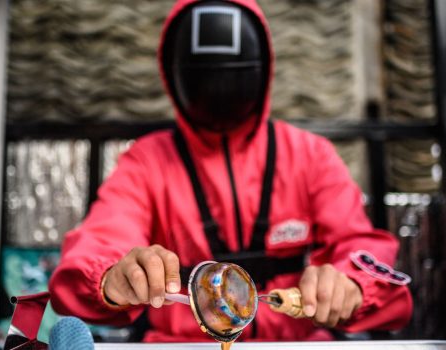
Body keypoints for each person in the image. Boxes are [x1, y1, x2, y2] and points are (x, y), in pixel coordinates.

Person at [49, 0, 413, 342]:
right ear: (175, 77)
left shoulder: (310, 155)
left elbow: (358, 241)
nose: (218, 91)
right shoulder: (147, 161)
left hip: (295, 343)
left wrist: (351, 284)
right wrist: (112, 276)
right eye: (206, 81)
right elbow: (102, 239)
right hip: (181, 344)